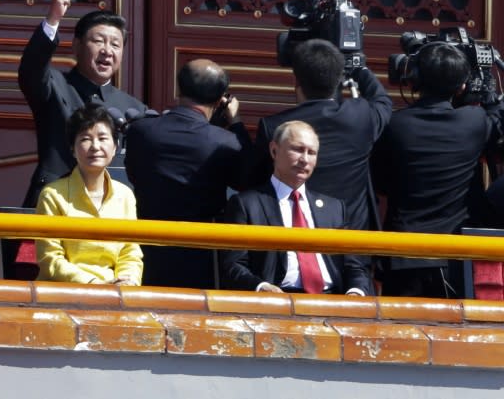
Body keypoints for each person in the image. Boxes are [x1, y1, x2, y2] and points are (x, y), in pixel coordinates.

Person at [14, 0, 145, 278]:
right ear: (76, 46)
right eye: (98, 41)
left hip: (111, 215)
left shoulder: (134, 108)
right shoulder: (56, 86)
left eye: (115, 44)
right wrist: (54, 18)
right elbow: (31, 71)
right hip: (55, 207)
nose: (107, 50)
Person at [373, 42, 502, 298]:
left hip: (405, 254)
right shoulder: (474, 122)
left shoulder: (395, 125)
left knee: (403, 333)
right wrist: (488, 92)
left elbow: (381, 184)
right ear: (462, 86)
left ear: (414, 78)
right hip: (457, 254)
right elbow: (498, 119)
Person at [124, 58, 252, 289]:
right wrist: (236, 123)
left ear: (178, 88)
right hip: (202, 255)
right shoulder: (226, 141)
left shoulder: (141, 131)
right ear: (220, 100)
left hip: (145, 248)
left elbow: (133, 174)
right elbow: (248, 180)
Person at [250, 39, 391, 233]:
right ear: (338, 80)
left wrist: (236, 125)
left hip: (293, 237)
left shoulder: (275, 127)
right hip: (351, 243)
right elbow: (382, 100)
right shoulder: (361, 115)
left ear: (296, 81)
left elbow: (249, 179)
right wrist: (360, 68)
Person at [219, 120, 372, 295]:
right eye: (298, 149)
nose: (304, 159)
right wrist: (261, 287)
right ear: (274, 150)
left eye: (312, 152)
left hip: (332, 300)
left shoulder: (334, 208)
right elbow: (233, 265)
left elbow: (354, 266)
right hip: (276, 300)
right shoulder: (247, 204)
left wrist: (355, 292)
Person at [35, 104, 143, 285]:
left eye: (102, 138)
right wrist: (93, 284)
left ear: (115, 146)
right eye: (85, 139)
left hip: (116, 291)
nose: (95, 146)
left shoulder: (125, 195)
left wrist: (128, 282)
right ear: (72, 148)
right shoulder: (52, 195)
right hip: (64, 292)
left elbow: (130, 253)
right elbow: (50, 259)